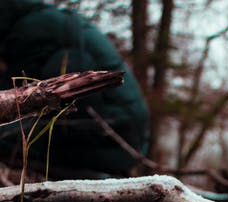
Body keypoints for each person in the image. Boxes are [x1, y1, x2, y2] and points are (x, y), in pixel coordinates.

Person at [0, 0, 150, 176]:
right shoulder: (42, 20)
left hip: (110, 136)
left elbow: (18, 96)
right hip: (126, 137)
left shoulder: (34, 29)